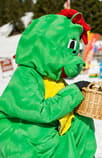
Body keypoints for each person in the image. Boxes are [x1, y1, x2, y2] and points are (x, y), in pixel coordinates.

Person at [0, 9, 96, 157]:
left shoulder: (54, 78)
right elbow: (39, 111)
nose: (77, 60)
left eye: (75, 52)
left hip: (49, 136)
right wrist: (74, 91)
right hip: (21, 140)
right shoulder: (26, 75)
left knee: (82, 122)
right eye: (70, 49)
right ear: (46, 44)